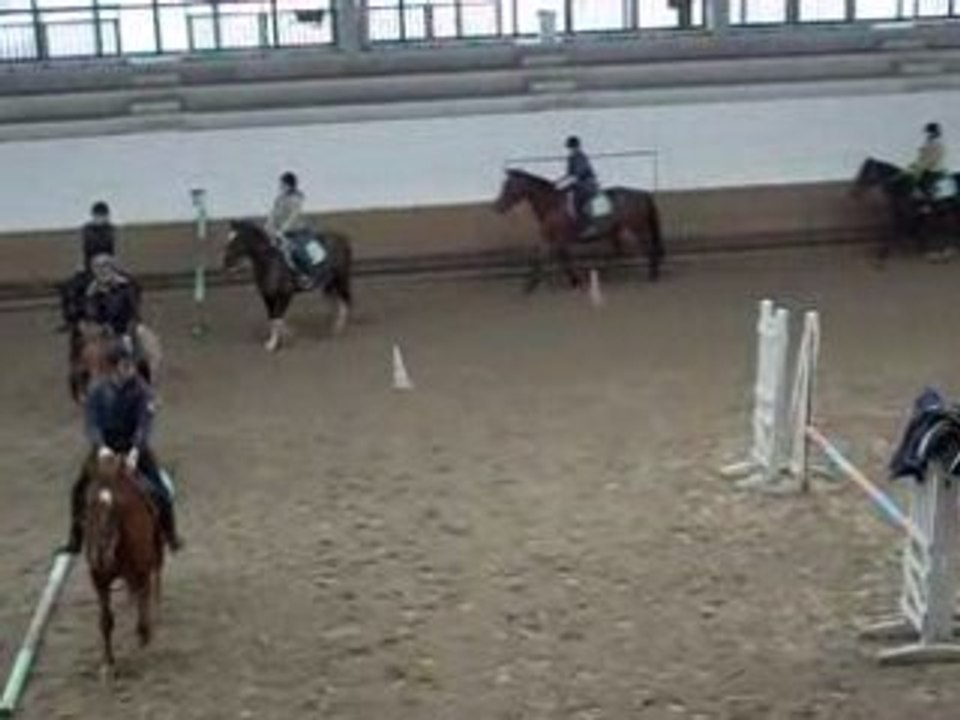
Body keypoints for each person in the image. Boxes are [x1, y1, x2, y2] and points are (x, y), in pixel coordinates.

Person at [59, 340, 182, 554]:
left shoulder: (142, 391)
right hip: (106, 447)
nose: (129, 369)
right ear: (114, 367)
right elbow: (92, 423)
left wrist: (136, 449)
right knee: (79, 490)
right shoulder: (98, 392)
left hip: (132, 446)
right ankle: (75, 538)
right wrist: (101, 446)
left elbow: (144, 423)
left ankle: (170, 534)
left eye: (130, 365)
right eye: (124, 365)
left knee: (161, 491)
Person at [57, 202, 118, 332]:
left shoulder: (110, 230)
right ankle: (71, 319)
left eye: (103, 215)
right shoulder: (87, 230)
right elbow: (89, 247)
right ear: (93, 216)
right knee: (68, 287)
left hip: (107, 268)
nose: (101, 218)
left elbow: (108, 247)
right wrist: (82, 266)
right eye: (98, 215)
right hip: (89, 268)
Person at [265, 171, 318, 284]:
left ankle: (305, 274)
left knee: (294, 251)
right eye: (281, 184)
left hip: (295, 231)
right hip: (279, 232)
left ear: (289, 185)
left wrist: (282, 230)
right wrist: (268, 226)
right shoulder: (279, 198)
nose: (280, 187)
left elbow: (294, 216)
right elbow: (273, 213)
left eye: (283, 184)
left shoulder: (297, 198)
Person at [84, 254, 140, 339]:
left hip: (125, 331)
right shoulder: (91, 292)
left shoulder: (125, 287)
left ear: (112, 268)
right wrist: (101, 328)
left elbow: (133, 312)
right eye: (97, 267)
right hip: (103, 334)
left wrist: (129, 330)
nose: (101, 270)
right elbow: (91, 316)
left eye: (105, 266)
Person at [557, 136, 600, 232]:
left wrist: (569, 184)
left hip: (587, 183)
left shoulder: (581, 157)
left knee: (580, 201)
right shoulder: (571, 158)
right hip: (579, 182)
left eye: (573, 147)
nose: (572, 149)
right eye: (570, 147)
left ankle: (590, 224)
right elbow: (569, 174)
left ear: (577, 146)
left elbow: (578, 173)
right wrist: (558, 181)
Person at [910, 122, 947, 202]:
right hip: (928, 167)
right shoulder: (929, 142)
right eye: (927, 133)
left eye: (929, 133)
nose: (927, 135)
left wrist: (919, 166)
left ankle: (927, 204)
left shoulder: (937, 143)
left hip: (933, 169)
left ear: (934, 133)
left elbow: (930, 158)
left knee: (921, 186)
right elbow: (924, 155)